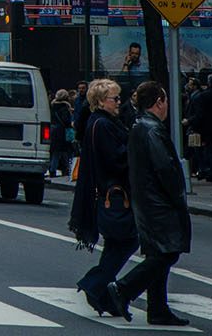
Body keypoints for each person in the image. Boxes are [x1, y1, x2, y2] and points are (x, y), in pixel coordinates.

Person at [105, 81, 191, 326]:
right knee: (167, 252)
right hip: (159, 203)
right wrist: (177, 196)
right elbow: (165, 168)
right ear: (159, 102)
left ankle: (157, 308)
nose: (167, 107)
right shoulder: (152, 129)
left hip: (146, 200)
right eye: (165, 101)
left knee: (158, 251)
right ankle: (124, 289)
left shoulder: (139, 126)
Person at [71, 79, 135, 316]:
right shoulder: (103, 125)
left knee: (116, 244)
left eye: (119, 98)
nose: (119, 102)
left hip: (110, 192)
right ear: (100, 101)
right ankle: (95, 284)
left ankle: (101, 294)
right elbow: (115, 160)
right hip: (113, 193)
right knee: (128, 239)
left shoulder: (100, 122)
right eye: (114, 99)